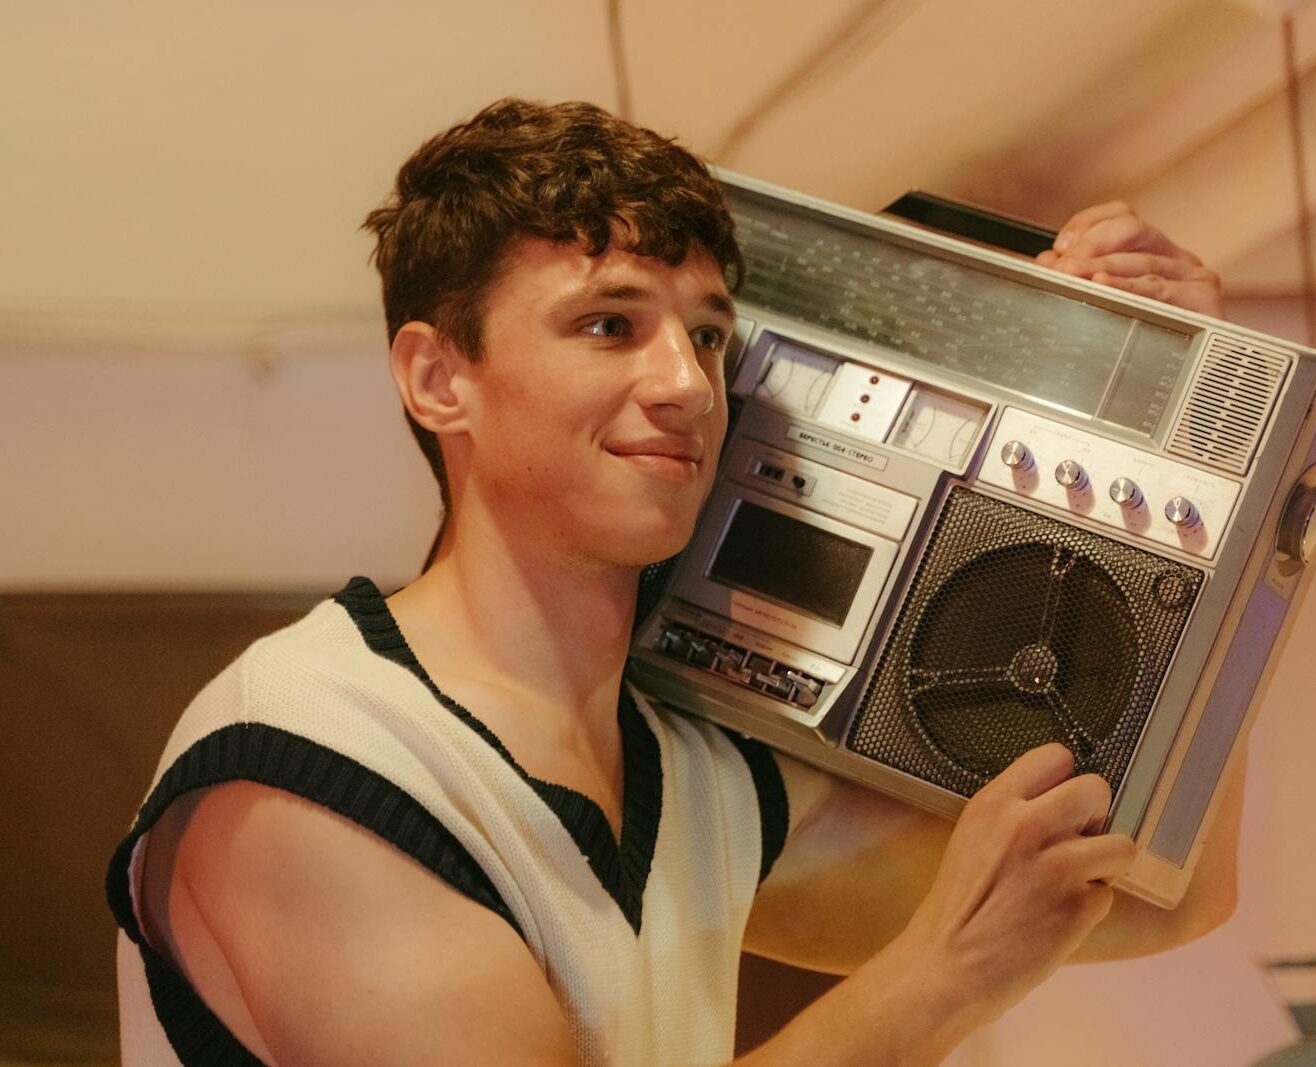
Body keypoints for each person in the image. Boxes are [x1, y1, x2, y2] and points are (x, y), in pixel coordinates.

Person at [107, 97, 1240, 1066]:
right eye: (611, 324)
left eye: (706, 335)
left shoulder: (692, 775)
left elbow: (1166, 892)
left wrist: (1218, 462)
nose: (687, 385)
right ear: (439, 376)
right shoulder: (312, 763)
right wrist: (947, 970)